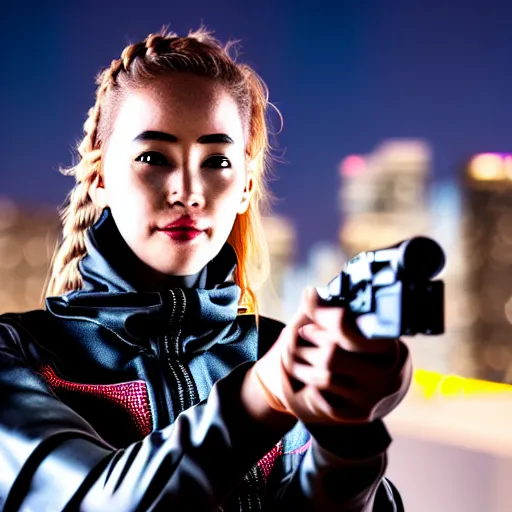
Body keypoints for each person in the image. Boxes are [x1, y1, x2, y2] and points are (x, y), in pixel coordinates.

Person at [0, 27, 412, 511]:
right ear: (98, 179)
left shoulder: (279, 352)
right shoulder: (19, 357)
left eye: (216, 161)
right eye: (153, 157)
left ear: (245, 186)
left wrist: (345, 441)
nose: (188, 191)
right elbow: (94, 501)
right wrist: (264, 394)